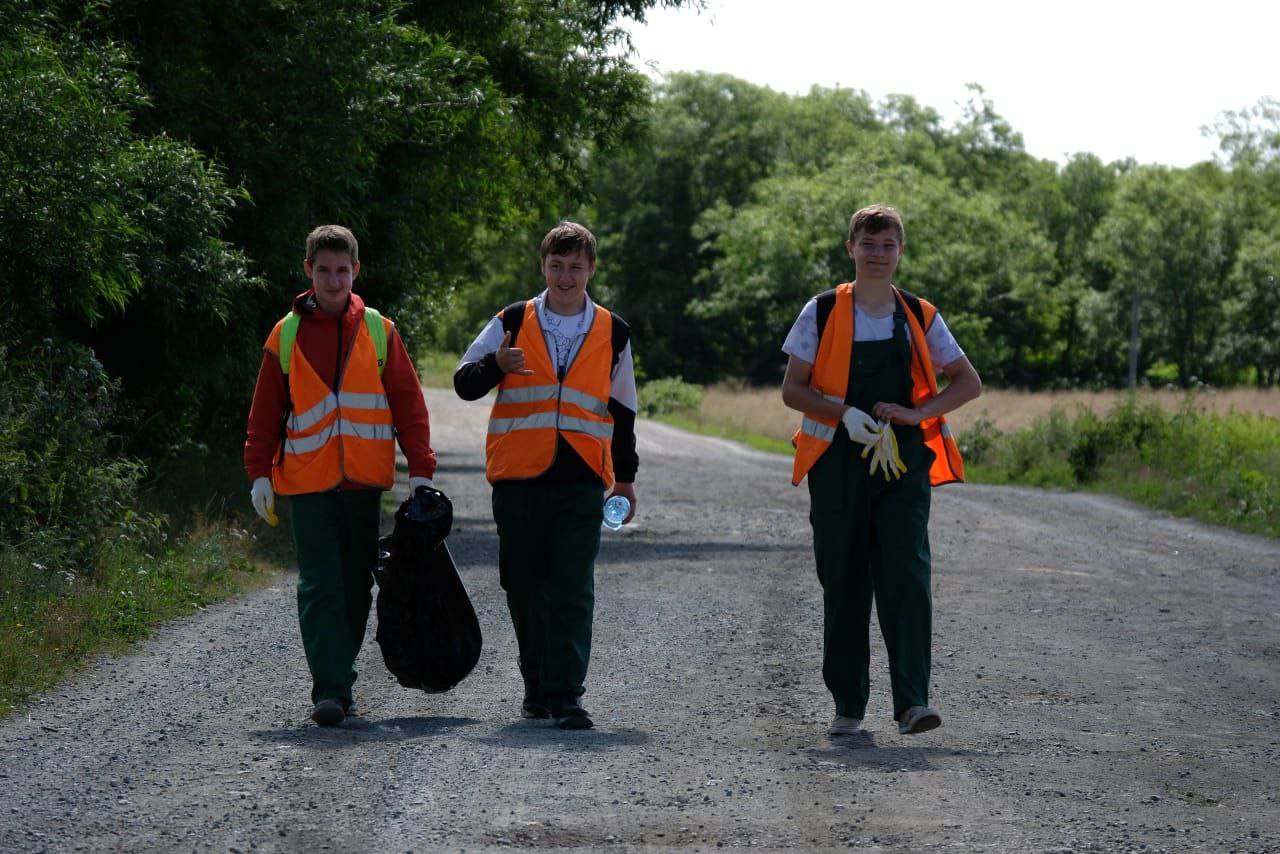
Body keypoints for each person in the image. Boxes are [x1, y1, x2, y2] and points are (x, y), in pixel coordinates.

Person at [781, 204, 981, 738]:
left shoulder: (919, 314)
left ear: (901, 252)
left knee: (907, 580)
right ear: (851, 249)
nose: (877, 254)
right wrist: (844, 414)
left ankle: (913, 702)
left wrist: (918, 414)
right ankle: (848, 706)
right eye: (868, 245)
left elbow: (968, 382)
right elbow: (792, 389)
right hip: (837, 466)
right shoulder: (820, 312)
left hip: (903, 468)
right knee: (844, 582)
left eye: (888, 245)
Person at [244, 224, 436, 727]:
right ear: (308, 271)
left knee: (355, 585)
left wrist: (420, 471)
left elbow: (409, 405)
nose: (334, 280)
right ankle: (330, 689)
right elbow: (264, 414)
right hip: (306, 485)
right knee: (319, 584)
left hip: (363, 485)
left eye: (342, 270)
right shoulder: (284, 335)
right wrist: (258, 473)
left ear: (356, 271)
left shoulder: (379, 330)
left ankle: (340, 677)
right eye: (324, 271)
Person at [454, 220, 639, 730]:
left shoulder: (613, 330)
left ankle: (567, 694)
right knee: (524, 584)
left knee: (573, 585)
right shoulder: (513, 319)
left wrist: (625, 478)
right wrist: (497, 362)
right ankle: (536, 686)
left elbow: (622, 411)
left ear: (591, 269)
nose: (565, 276)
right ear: (543, 267)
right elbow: (463, 382)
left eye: (575, 266)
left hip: (582, 478)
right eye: (556, 266)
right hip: (518, 478)